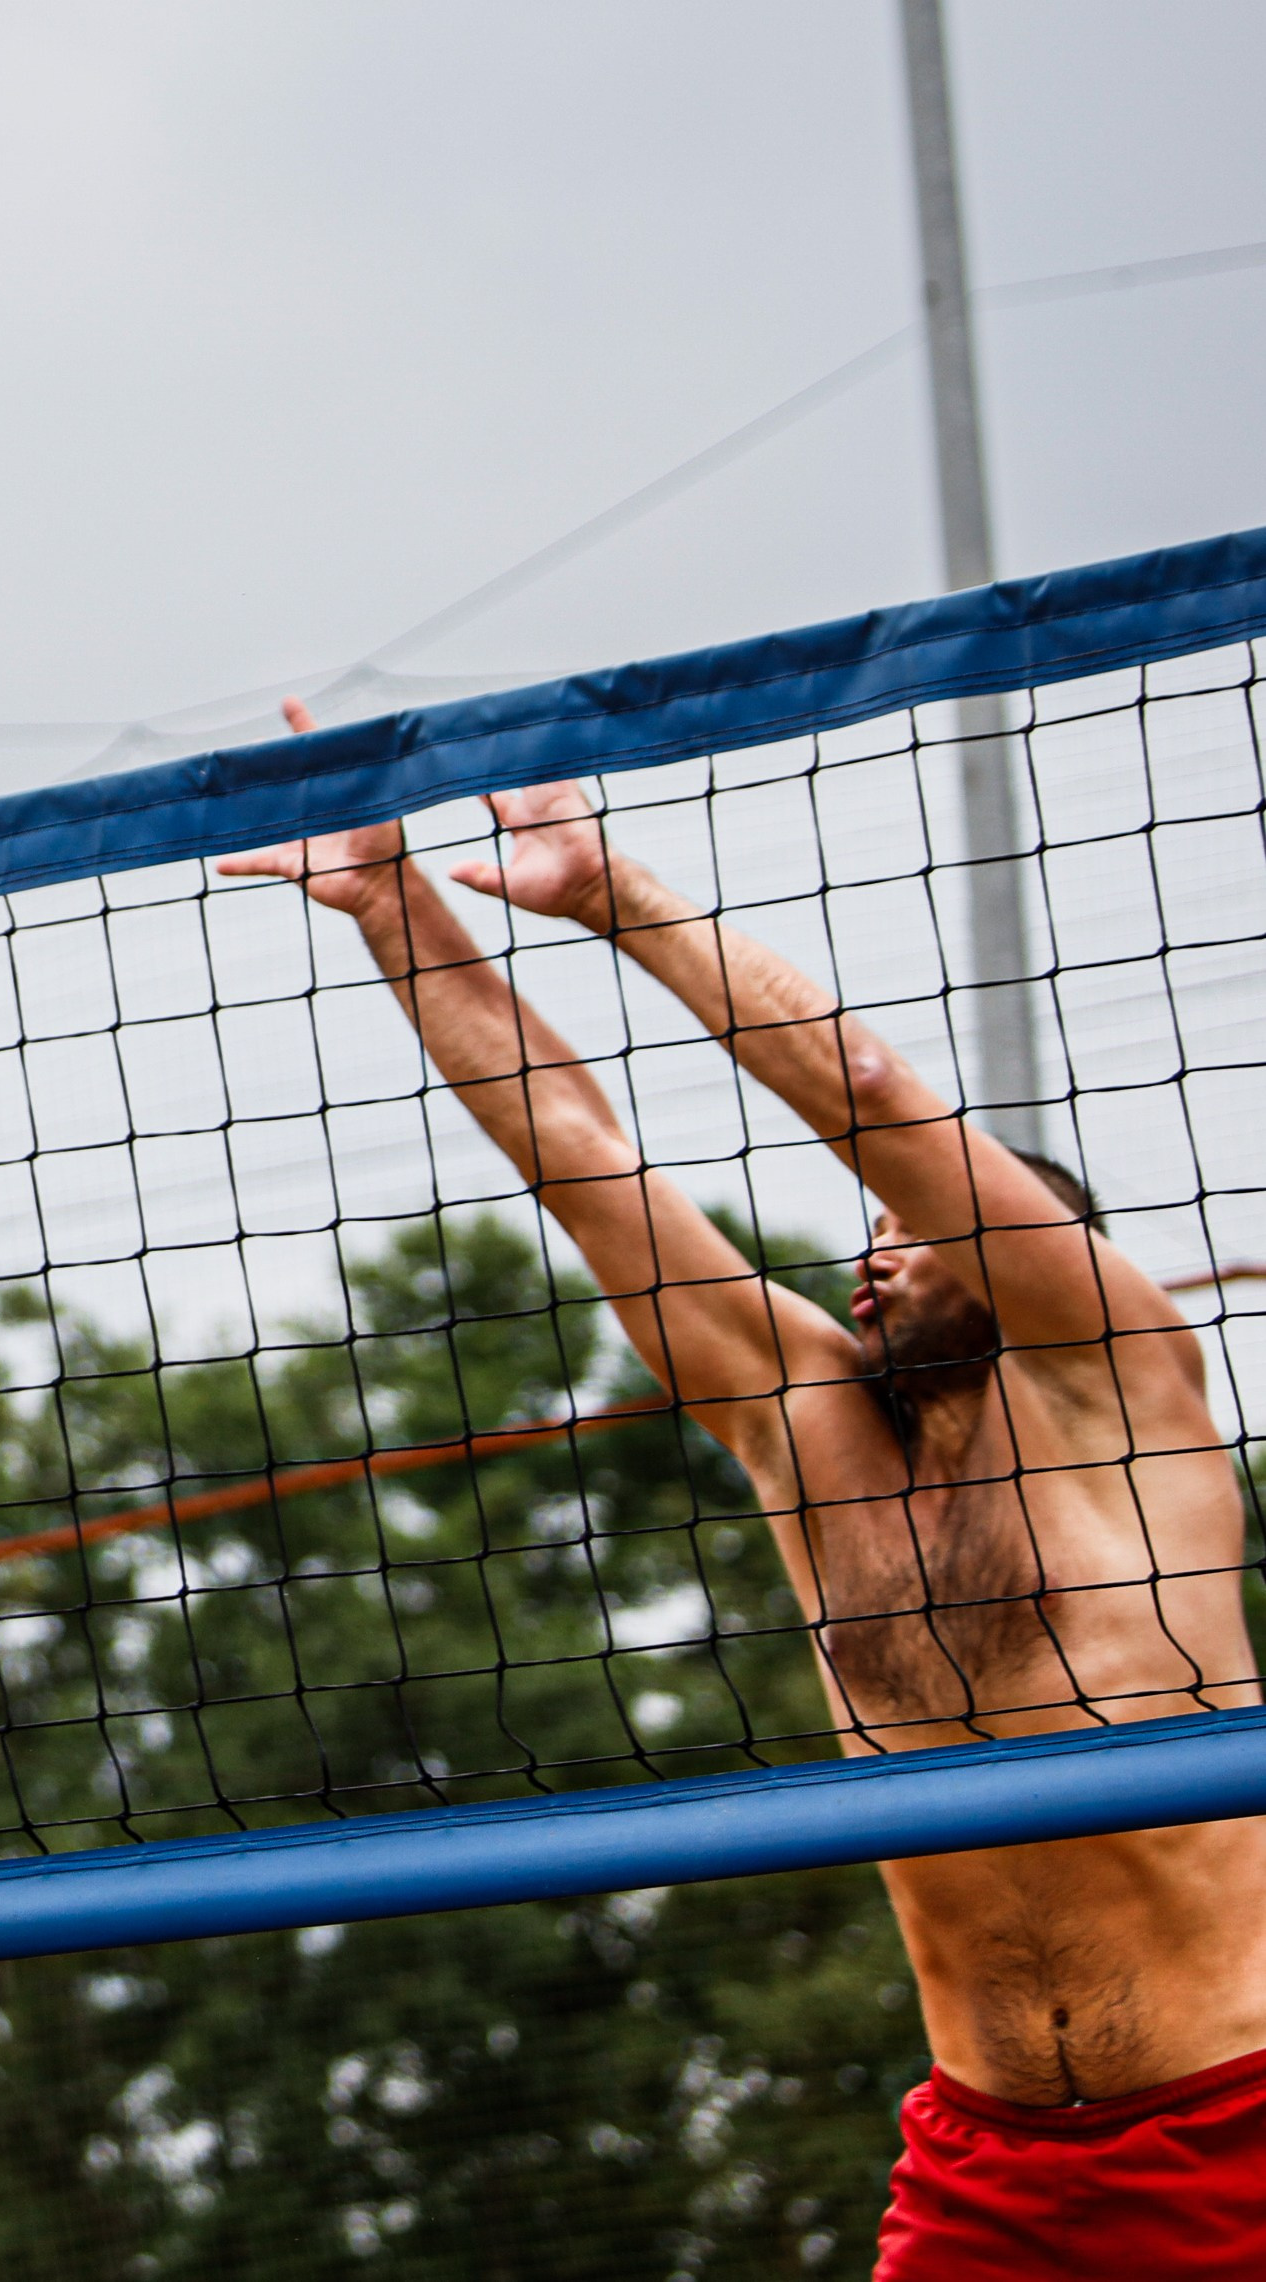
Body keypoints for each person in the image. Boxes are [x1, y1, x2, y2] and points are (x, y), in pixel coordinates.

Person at [223, 706, 1266, 2277]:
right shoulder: (807, 1429)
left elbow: (868, 1088)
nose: (878, 1242)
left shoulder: (1120, 1377)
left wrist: (604, 891)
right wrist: (395, 906)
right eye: (873, 1230)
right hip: (986, 2160)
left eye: (918, 1228)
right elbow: (573, 1150)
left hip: (1230, 2121)